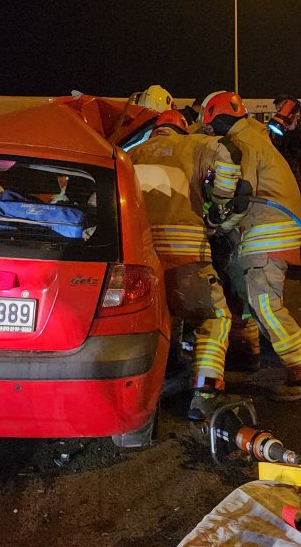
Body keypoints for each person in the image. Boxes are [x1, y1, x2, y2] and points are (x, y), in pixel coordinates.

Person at [202, 91, 301, 402]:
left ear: (215, 117)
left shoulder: (244, 142)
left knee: (265, 304)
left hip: (267, 230)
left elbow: (242, 195)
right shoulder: (253, 135)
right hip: (267, 228)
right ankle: (249, 354)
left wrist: (217, 225)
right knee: (246, 293)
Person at [128, 109, 241, 420]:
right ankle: (205, 391)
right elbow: (228, 167)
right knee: (215, 316)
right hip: (187, 254)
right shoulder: (197, 144)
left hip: (141, 259)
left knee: (164, 317)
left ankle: (163, 377)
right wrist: (217, 205)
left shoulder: (131, 153)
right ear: (181, 129)